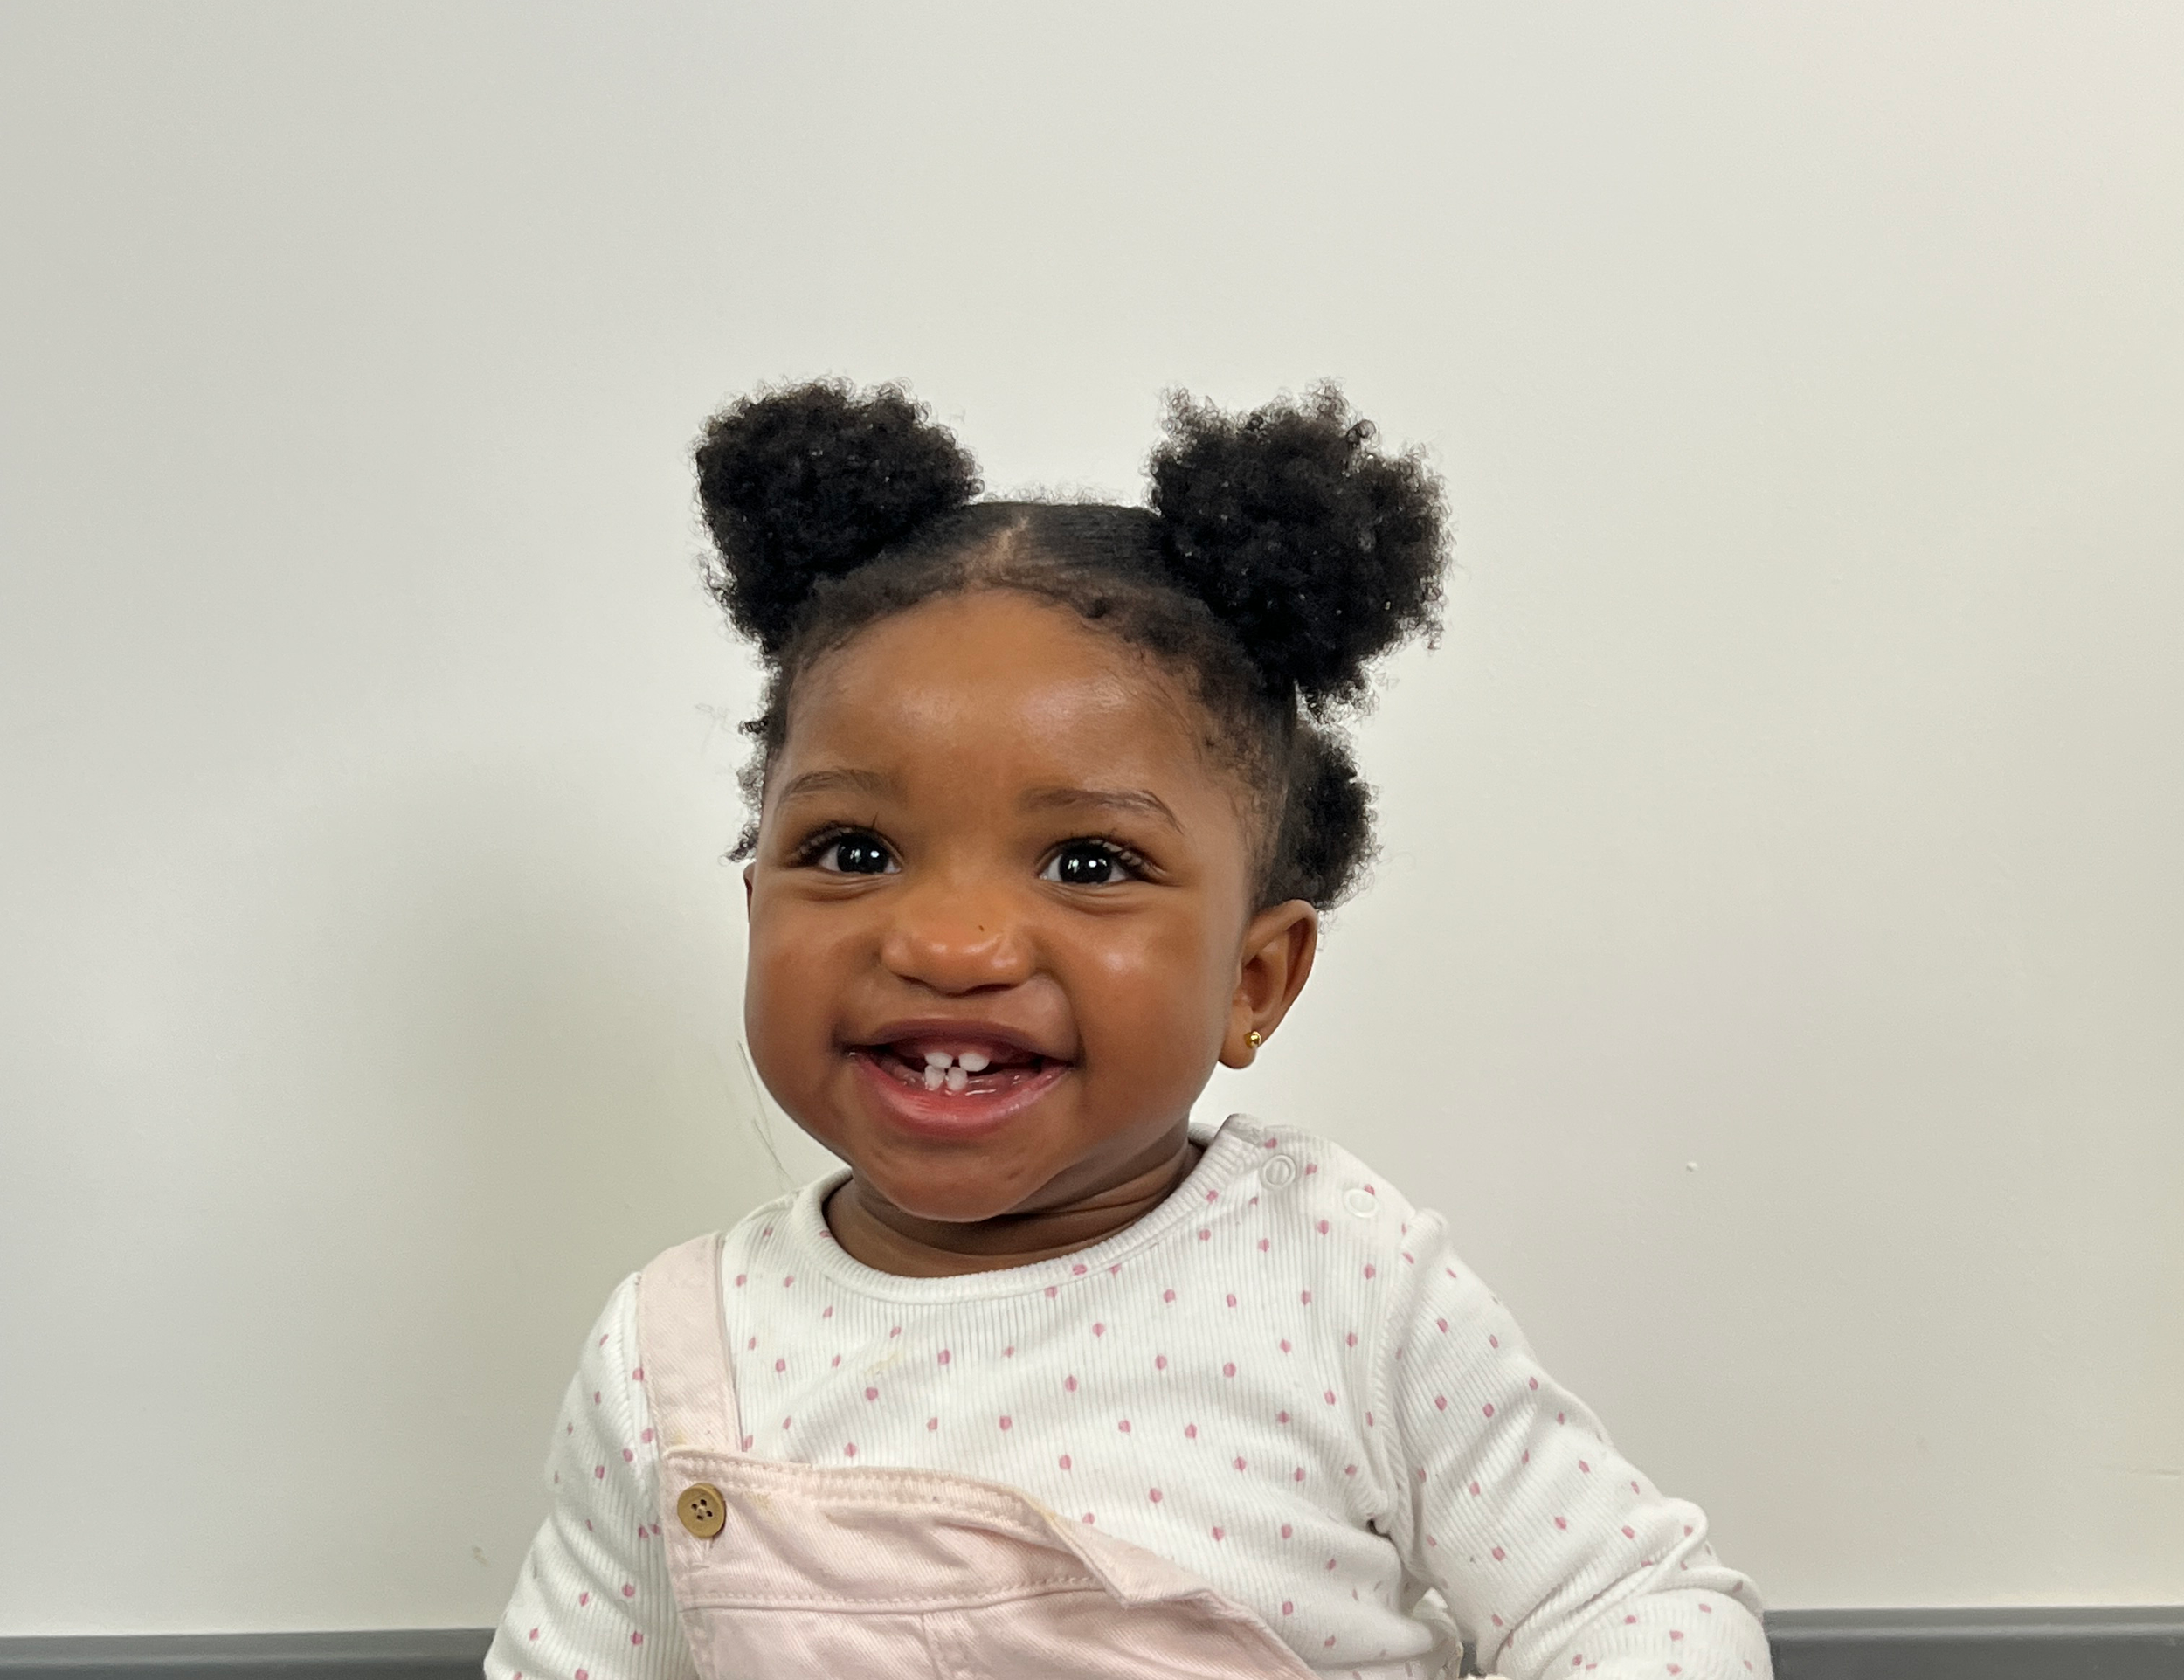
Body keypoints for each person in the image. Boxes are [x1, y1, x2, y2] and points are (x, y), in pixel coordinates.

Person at [485, 381, 1769, 1680]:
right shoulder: (672, 1353)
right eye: (855, 848)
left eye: (1089, 863)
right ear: (757, 904)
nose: (947, 944)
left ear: (1254, 980)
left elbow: (1628, 1600)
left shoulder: (1336, 1278)